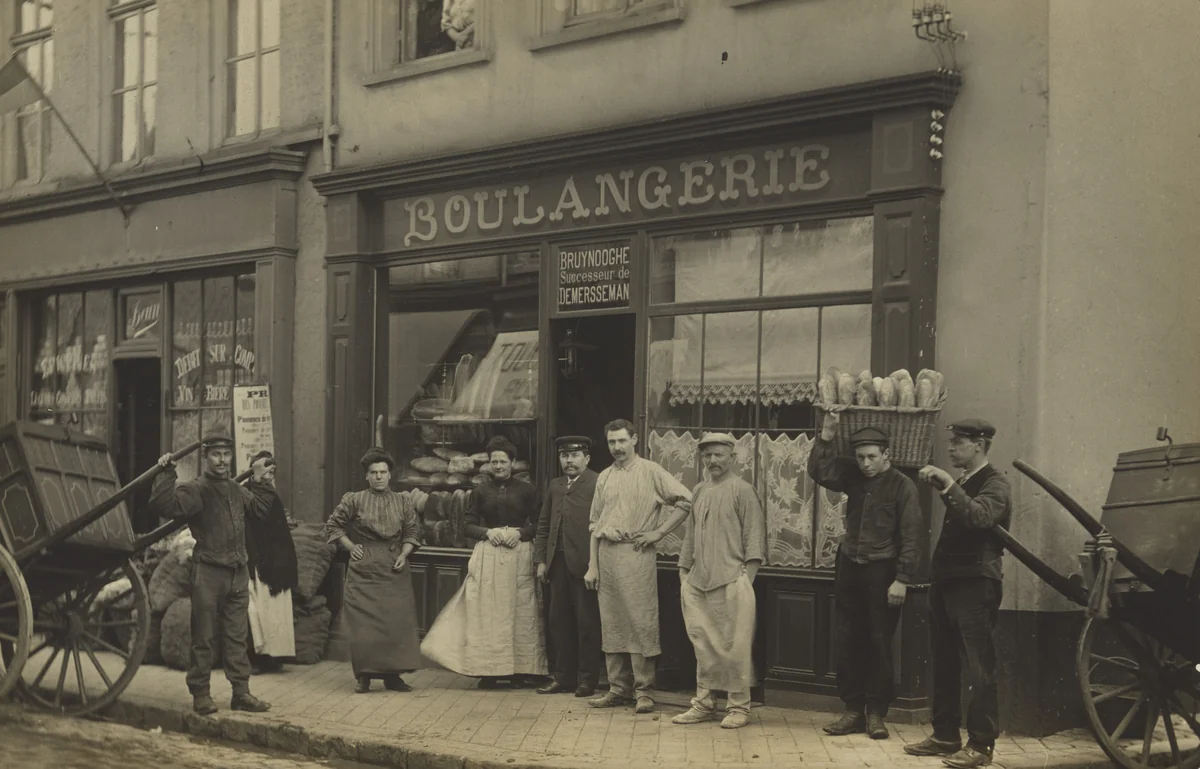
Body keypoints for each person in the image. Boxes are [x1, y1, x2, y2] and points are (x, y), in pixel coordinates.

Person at [807, 414, 921, 740]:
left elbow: (912, 536)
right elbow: (820, 471)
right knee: (847, 639)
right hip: (849, 567)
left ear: (887, 454)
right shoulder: (853, 478)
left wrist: (902, 578)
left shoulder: (903, 486)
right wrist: (826, 436)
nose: (866, 464)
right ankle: (853, 711)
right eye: (860, 457)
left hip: (882, 571)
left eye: (872, 457)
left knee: (879, 641)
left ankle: (876, 713)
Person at [905, 419, 1011, 769]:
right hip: (947, 582)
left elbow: (980, 518)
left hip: (975, 585)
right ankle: (945, 735)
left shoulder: (996, 483)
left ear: (979, 445)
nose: (950, 448)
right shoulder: (966, 482)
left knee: (980, 667)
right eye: (950, 442)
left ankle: (980, 745)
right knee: (945, 661)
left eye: (958, 442)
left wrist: (948, 485)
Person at [148, 432, 274, 716]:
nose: (222, 460)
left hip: (237, 573)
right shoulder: (197, 490)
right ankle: (201, 694)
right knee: (203, 637)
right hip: (208, 573)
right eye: (216, 454)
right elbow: (163, 506)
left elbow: (261, 511)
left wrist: (261, 481)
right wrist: (166, 472)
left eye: (226, 454)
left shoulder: (236, 490)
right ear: (205, 457)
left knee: (237, 637)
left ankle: (241, 693)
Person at [421, 435, 548, 688]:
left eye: (503, 461)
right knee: (488, 613)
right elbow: (467, 526)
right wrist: (487, 532)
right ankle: (488, 671)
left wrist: (520, 533)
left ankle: (519, 671)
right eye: (494, 462)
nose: (498, 466)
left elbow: (540, 524)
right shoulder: (480, 491)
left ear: (513, 463)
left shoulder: (527, 490)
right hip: (489, 554)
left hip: (519, 554)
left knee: (520, 611)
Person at [584, 418, 693, 715]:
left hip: (636, 553)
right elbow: (594, 524)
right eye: (612, 442)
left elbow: (686, 501)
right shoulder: (604, 477)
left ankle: (644, 690)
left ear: (634, 440)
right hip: (606, 555)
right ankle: (617, 688)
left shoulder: (651, 471)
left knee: (639, 620)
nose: (617, 447)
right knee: (612, 621)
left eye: (622, 440)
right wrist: (593, 565)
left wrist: (658, 533)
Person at [671, 432, 766, 730]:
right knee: (704, 646)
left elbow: (754, 541)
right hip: (699, 582)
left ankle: (738, 707)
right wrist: (684, 572)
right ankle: (704, 703)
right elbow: (690, 536)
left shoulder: (743, 490)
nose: (712, 460)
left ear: (732, 458)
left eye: (719, 455)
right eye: (707, 455)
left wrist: (745, 582)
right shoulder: (699, 490)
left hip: (731, 581)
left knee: (735, 647)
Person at [323, 448, 423, 694]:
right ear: (366, 476)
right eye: (373, 472)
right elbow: (333, 525)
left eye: (383, 472)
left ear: (390, 475)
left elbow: (412, 531)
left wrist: (404, 554)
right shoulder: (354, 500)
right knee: (364, 626)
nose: (378, 477)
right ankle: (364, 676)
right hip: (364, 568)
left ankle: (393, 677)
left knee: (394, 624)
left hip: (393, 567)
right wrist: (350, 546)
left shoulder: (403, 501)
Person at [533, 436, 603, 698]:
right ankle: (563, 677)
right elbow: (543, 524)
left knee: (587, 623)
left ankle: (588, 680)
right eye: (564, 456)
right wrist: (541, 560)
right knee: (559, 622)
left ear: (587, 458)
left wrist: (595, 564)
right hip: (557, 564)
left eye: (575, 455)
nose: (569, 461)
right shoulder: (555, 485)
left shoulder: (597, 482)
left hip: (585, 563)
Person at [243, 450, 298, 674]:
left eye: (272, 472)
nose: (269, 475)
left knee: (276, 611)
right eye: (265, 470)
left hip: (275, 561)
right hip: (258, 559)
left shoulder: (270, 493)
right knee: (257, 610)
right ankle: (258, 658)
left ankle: (275, 657)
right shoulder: (248, 492)